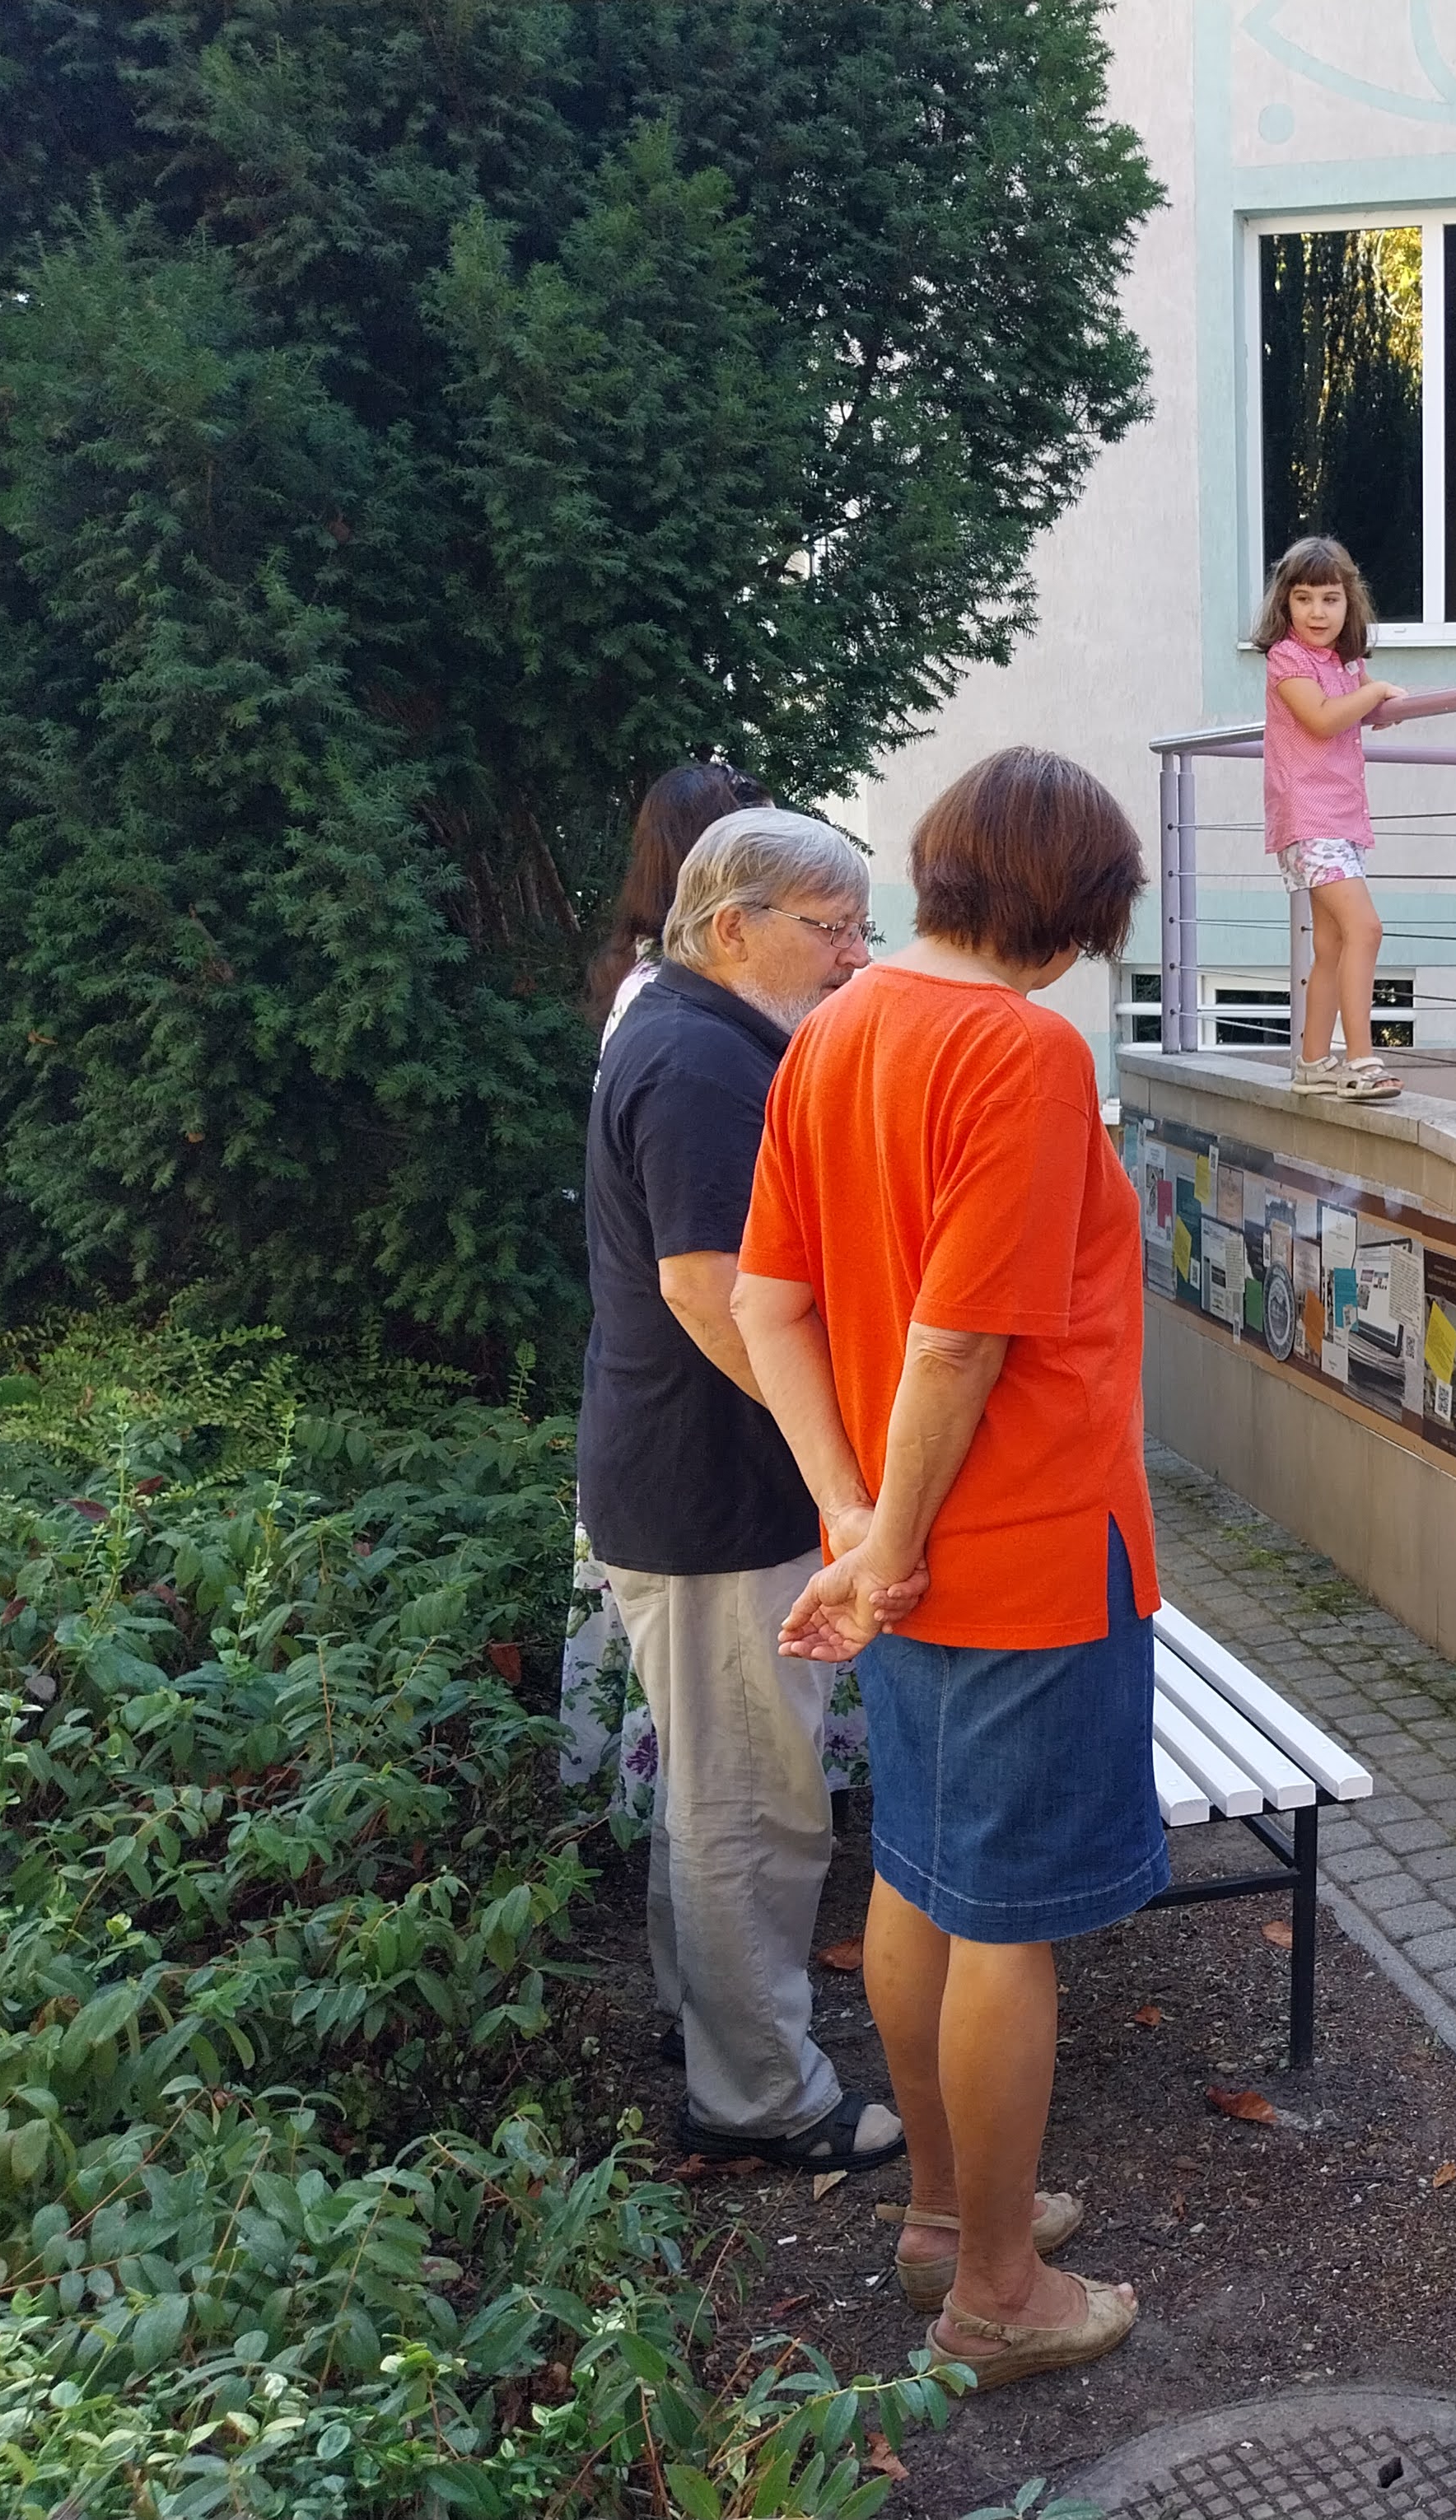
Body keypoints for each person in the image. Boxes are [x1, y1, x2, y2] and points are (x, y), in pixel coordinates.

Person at [733, 745, 1167, 2389]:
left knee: (919, 1877)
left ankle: (941, 2218)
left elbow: (771, 1303)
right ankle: (996, 2293)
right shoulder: (1022, 1049)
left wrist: (852, 1527)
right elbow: (961, 1339)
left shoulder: (833, 1028)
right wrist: (895, 1543)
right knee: (1008, 1926)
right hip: (1024, 1557)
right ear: (1071, 907)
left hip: (896, 1562)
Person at [580, 805, 903, 2175]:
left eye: (859, 927)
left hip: (683, 1477)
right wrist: (841, 1460)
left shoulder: (691, 1028)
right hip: (710, 1492)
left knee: (712, 1784)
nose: (854, 955)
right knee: (753, 1803)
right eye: (830, 929)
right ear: (734, 928)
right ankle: (760, 2096)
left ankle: (707, 2022)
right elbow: (710, 1294)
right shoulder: (703, 1063)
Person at [1256, 535, 1403, 1101]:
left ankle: (1314, 1062)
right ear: (1285, 605)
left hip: (1341, 819)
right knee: (1366, 928)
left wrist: (1379, 702)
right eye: (1304, 599)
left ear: (1349, 603)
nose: (1317, 613)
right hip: (1308, 819)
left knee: (1333, 944)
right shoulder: (1287, 659)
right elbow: (1321, 719)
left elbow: (1365, 710)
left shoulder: (1345, 661)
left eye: (1330, 599)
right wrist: (1375, 694)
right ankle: (1361, 1061)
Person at [592, 759, 772, 1037]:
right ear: (712, 862)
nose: (784, 865)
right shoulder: (676, 1010)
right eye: (768, 849)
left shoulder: (682, 981)